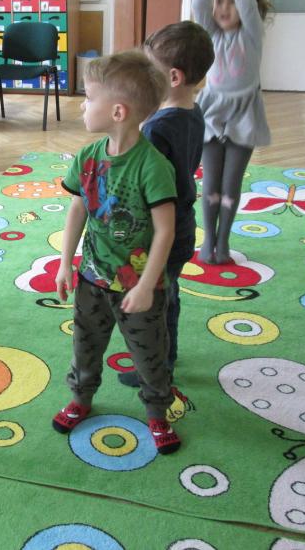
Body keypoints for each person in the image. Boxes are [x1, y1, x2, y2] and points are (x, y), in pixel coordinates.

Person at [52, 49, 182, 455]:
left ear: (118, 112)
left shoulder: (152, 166)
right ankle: (81, 398)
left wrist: (146, 286)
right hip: (92, 277)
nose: (83, 105)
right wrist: (65, 264)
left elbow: (166, 231)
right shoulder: (87, 158)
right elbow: (77, 209)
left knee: (149, 353)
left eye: (89, 97)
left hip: (139, 287)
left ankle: (157, 413)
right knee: (85, 344)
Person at [118, 21, 215, 389]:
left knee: (156, 301)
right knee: (168, 294)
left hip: (162, 229)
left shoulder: (157, 128)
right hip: (183, 223)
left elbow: (145, 184)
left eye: (150, 69)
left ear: (173, 77)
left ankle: (158, 365)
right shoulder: (194, 112)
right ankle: (167, 354)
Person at [192, 0, 271, 265]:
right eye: (219, 1)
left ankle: (223, 242)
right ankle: (209, 240)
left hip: (244, 114)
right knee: (210, 184)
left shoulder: (251, 34)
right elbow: (199, 2)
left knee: (230, 186)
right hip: (212, 112)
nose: (224, 7)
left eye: (231, 1)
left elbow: (245, 0)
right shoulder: (209, 34)